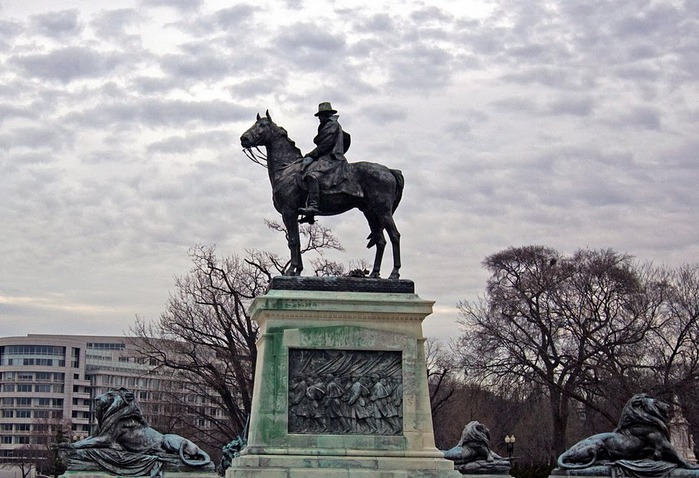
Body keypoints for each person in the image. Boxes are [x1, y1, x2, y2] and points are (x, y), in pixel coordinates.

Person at [298, 102, 356, 218]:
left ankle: (313, 205)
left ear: (326, 114)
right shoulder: (328, 125)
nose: (319, 118)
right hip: (326, 158)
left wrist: (311, 155)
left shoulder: (332, 125)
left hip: (332, 159)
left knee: (311, 175)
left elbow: (325, 145)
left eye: (320, 115)